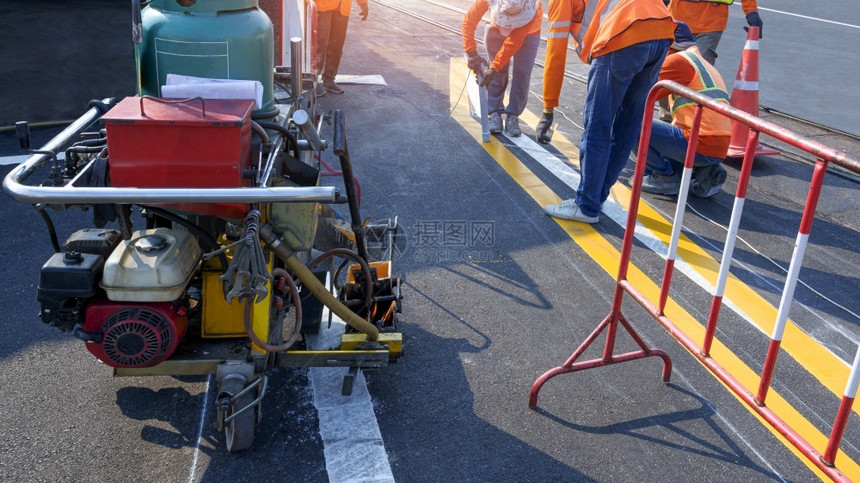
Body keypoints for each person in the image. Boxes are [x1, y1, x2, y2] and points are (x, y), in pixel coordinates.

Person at [540, 0, 676, 224]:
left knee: (597, 126)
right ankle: (594, 199)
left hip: (622, 34)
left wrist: (548, 107)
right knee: (626, 128)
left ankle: (586, 205)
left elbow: (555, 51)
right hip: (661, 30)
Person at [641, 21, 730, 199]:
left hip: (698, 141)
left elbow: (641, 94)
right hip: (717, 145)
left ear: (670, 45)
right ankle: (701, 170)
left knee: (630, 124)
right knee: (662, 135)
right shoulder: (703, 63)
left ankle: (664, 177)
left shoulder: (677, 61)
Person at [462, 0, 542, 137]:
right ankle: (494, 112)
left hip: (528, 34)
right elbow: (469, 22)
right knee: (497, 75)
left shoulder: (533, 9)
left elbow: (513, 42)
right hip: (496, 29)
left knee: (522, 73)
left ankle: (513, 116)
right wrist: (471, 52)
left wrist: (494, 67)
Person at [666, 0, 763, 65]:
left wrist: (751, 10)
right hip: (677, 20)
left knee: (699, 71)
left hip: (710, 24)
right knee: (668, 70)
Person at [315, 0, 369, 97]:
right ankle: (312, 79)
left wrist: (363, 3)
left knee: (337, 45)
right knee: (320, 44)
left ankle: (329, 79)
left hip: (343, 8)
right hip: (322, 6)